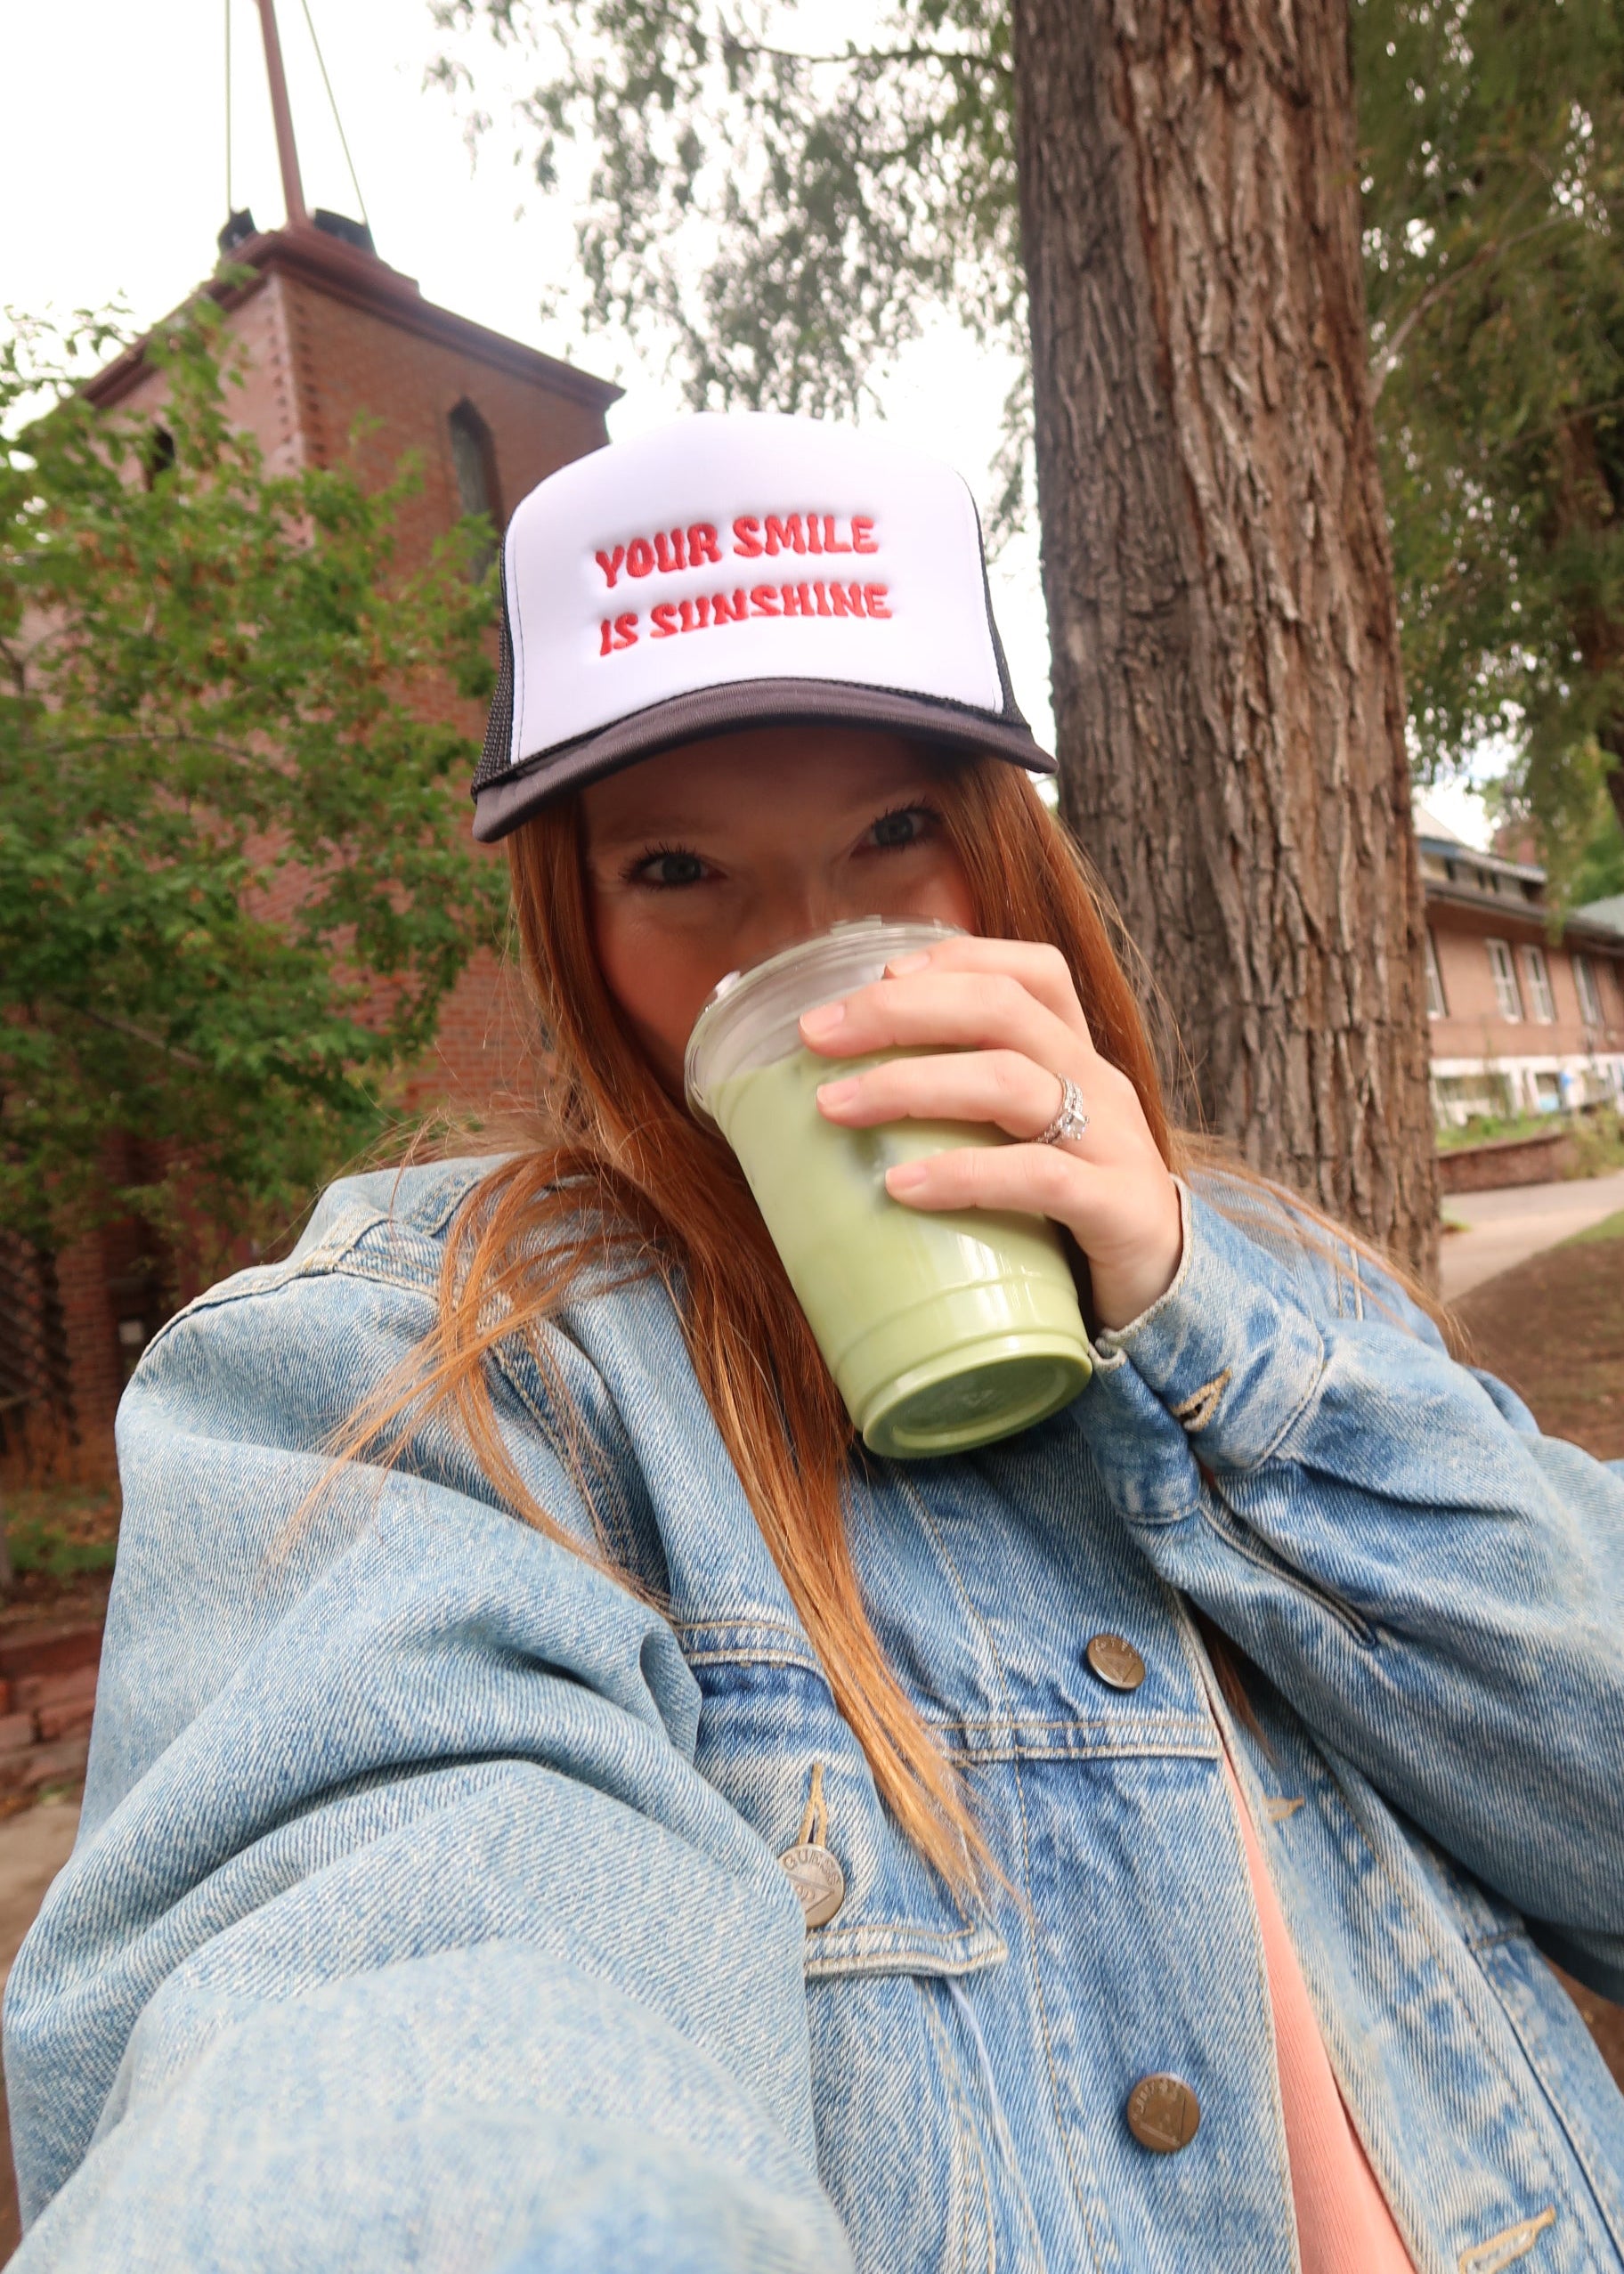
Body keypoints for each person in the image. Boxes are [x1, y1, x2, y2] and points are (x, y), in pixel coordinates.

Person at [5, 412, 1621, 2274]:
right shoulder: (454, 1370)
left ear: (1002, 851)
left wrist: (1197, 1307)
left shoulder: (1279, 1292)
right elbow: (394, 1944)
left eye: (894, 831)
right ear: (573, 921)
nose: (803, 941)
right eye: (678, 868)